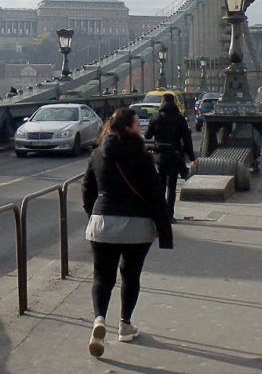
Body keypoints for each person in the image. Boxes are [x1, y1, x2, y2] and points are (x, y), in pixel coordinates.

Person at [82, 107, 172, 358]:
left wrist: (95, 215)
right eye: (137, 124)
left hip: (103, 222)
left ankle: (99, 319)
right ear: (129, 128)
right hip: (137, 224)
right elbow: (155, 195)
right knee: (130, 275)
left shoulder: (98, 154)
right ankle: (125, 325)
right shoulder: (143, 157)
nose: (141, 129)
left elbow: (87, 190)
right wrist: (162, 228)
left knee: (102, 276)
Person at [145, 92, 196, 221]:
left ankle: (160, 214)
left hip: (160, 156)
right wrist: (192, 157)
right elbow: (187, 139)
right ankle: (169, 215)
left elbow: (147, 136)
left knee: (160, 186)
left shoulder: (156, 117)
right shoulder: (180, 118)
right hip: (174, 156)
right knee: (171, 187)